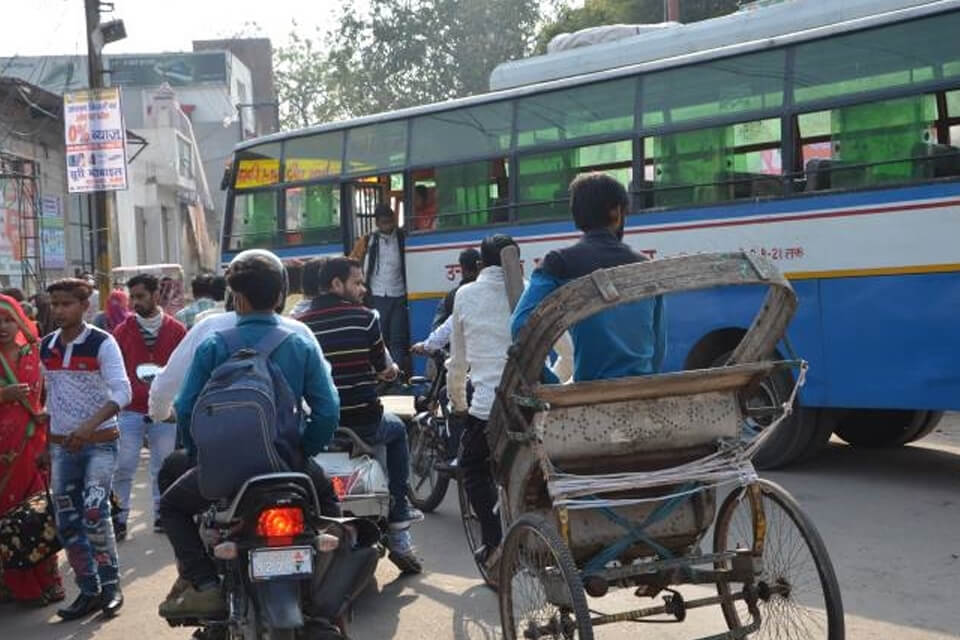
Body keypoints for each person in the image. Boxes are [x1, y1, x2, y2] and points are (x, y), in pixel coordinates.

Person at [158, 250, 341, 619]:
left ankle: (204, 584)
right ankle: (327, 587)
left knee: (173, 506)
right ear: (279, 297)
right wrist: (302, 451)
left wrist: (200, 455)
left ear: (235, 298)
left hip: (224, 473)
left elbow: (187, 408)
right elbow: (328, 411)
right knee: (330, 509)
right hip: (288, 464)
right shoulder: (300, 342)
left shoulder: (214, 343)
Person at [297, 257, 423, 574]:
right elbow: (384, 367)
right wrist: (391, 372)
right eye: (357, 282)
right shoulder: (365, 318)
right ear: (336, 285)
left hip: (320, 429)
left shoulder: (301, 326)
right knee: (397, 432)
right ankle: (398, 521)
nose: (363, 289)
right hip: (365, 423)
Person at [512, 173, 666, 382]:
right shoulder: (646, 266)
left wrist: (551, 382)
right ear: (616, 212)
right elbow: (658, 346)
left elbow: (520, 326)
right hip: (642, 389)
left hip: (587, 391)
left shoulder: (558, 263)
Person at [40, 278, 131, 620]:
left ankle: (111, 587)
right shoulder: (46, 345)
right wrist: (46, 443)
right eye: (55, 304)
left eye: (67, 304)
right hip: (62, 448)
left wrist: (88, 427)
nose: (60, 310)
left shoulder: (102, 343)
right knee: (67, 523)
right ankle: (89, 590)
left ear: (85, 306)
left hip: (100, 444)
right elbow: (49, 399)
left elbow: (123, 393)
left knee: (94, 512)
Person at [446, 234, 520, 568]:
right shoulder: (531, 290)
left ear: (479, 265)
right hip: (531, 406)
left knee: (472, 469)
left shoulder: (466, 294)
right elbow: (566, 353)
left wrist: (458, 402)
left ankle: (494, 543)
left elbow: (458, 363)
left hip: (487, 409)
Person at [0, 293, 65, 607]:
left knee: (36, 515)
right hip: (3, 453)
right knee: (6, 517)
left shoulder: (37, 353)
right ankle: (15, 585)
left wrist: (46, 415)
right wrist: (4, 394)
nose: (2, 326)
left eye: (8, 319)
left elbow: (58, 391)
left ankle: (48, 581)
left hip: (33, 444)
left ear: (20, 321)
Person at [111, 274, 186, 539]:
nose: (135, 303)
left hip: (165, 411)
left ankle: (162, 515)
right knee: (123, 465)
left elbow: (183, 370)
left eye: (141, 296)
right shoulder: (122, 331)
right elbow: (114, 370)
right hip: (130, 410)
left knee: (162, 466)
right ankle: (118, 518)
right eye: (132, 297)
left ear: (156, 296)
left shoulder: (177, 330)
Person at [349, 204, 411, 377]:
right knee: (380, 340)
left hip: (399, 293)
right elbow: (352, 261)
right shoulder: (367, 240)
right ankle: (382, 377)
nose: (388, 225)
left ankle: (396, 378)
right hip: (377, 294)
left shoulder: (401, 237)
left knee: (398, 339)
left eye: (390, 221)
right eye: (384, 222)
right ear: (377, 223)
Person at [412, 248, 482, 356]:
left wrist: (425, 346)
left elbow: (442, 331)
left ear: (461, 269)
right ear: (480, 267)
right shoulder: (492, 291)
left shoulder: (453, 297)